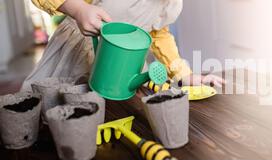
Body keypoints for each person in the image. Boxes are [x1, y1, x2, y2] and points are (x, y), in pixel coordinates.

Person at [23, 0, 225, 92]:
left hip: (126, 64)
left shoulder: (169, 3)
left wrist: (184, 75)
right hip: (78, 52)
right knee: (57, 113)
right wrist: (77, 8)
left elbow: (158, 33)